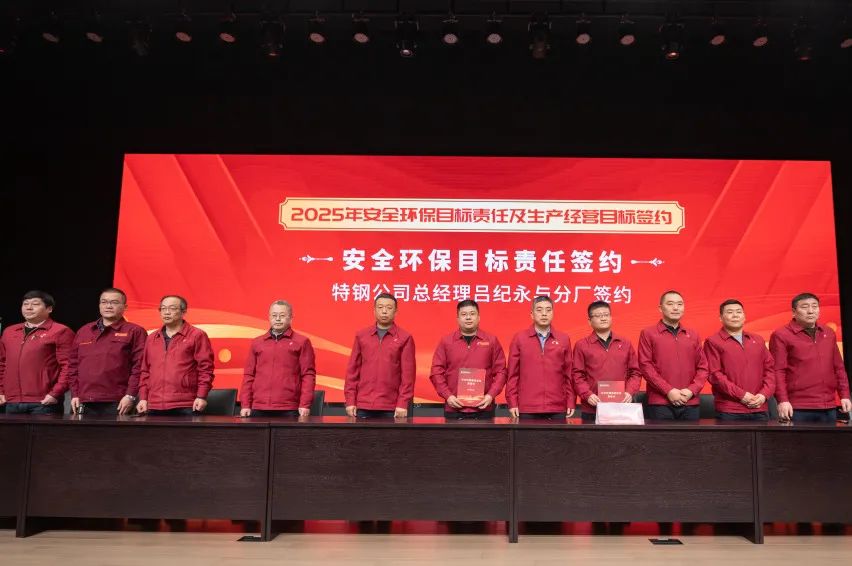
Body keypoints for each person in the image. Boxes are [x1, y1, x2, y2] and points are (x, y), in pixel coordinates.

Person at [770, 292, 850, 423]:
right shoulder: (781, 335)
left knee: (830, 438)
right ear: (794, 312)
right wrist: (782, 400)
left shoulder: (828, 332)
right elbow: (778, 370)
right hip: (797, 406)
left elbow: (838, 367)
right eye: (805, 307)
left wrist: (845, 395)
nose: (811, 311)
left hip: (828, 405)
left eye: (815, 306)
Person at [68, 288, 147, 416]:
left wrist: (130, 395)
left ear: (125, 307)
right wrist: (75, 394)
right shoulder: (84, 331)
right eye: (104, 302)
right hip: (83, 400)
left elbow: (139, 367)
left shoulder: (135, 331)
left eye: (114, 302)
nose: (108, 306)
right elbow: (73, 366)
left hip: (119, 401)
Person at [136, 295, 215, 416]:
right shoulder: (152, 338)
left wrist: (201, 396)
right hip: (154, 403)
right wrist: (143, 398)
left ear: (183, 312)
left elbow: (206, 369)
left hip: (186, 403)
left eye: (172, 308)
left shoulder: (197, 335)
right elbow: (145, 370)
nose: (166, 312)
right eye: (163, 308)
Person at [430, 299, 507, 420]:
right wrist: (448, 396)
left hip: (484, 407)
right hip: (454, 407)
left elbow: (501, 372)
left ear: (479, 317)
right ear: (458, 318)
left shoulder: (492, 341)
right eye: (464, 314)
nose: (468, 318)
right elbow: (436, 372)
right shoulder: (446, 342)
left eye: (472, 314)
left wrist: (490, 395)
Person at [0, 290, 74, 414]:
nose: (29, 307)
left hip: (44, 402)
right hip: (11, 401)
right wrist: (1, 391)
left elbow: (69, 366)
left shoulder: (60, 331)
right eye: (25, 304)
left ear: (49, 309)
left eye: (35, 304)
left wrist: (55, 393)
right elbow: (2, 363)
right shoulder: (9, 332)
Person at [638, 290, 709, 420]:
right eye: (670, 304)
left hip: (690, 401)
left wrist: (691, 390)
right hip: (660, 402)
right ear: (660, 308)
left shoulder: (693, 334)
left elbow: (703, 367)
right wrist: (668, 390)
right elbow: (645, 366)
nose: (675, 308)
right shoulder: (648, 333)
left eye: (679, 304)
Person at [344, 293, 415, 418]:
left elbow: (408, 376)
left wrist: (402, 403)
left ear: (396, 312)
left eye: (389, 308)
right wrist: (350, 400)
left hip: (392, 406)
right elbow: (352, 371)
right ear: (374, 310)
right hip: (363, 404)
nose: (384, 311)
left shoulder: (405, 338)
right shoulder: (361, 336)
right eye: (380, 307)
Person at [241, 300, 316, 417]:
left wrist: (305, 404)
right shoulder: (257, 343)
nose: (277, 319)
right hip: (259, 406)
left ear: (291, 318)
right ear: (269, 317)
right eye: (274, 315)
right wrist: (245, 404)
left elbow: (308, 375)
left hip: (289, 407)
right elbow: (249, 375)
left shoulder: (302, 342)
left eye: (282, 316)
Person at [704, 299, 775, 421]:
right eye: (730, 312)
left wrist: (764, 395)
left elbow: (770, 369)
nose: (735, 315)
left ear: (744, 316)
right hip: (730, 410)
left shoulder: (757, 340)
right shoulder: (713, 341)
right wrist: (742, 395)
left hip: (759, 407)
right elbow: (715, 375)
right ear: (720, 318)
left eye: (739, 312)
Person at [506, 296, 575, 420]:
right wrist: (512, 401)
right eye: (539, 310)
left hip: (557, 406)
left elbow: (568, 373)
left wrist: (571, 400)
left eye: (548, 310)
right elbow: (512, 374)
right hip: (527, 406)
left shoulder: (563, 339)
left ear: (553, 313)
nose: (544, 314)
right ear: (532, 314)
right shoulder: (519, 338)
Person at [572, 301, 641, 422]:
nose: (603, 318)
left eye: (606, 315)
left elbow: (635, 372)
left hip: (621, 406)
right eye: (598, 316)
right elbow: (577, 375)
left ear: (611, 317)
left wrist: (629, 392)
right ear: (589, 321)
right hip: (592, 407)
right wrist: (587, 394)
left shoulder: (625, 343)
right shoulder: (582, 345)